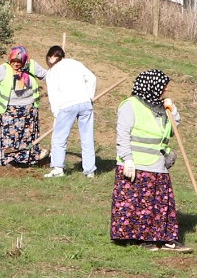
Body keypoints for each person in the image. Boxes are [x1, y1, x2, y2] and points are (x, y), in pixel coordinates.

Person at [110, 69, 188, 250]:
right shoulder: (130, 105)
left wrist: (173, 110)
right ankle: (142, 239)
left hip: (157, 164)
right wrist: (127, 159)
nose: (165, 92)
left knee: (160, 204)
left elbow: (172, 129)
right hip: (135, 165)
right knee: (135, 204)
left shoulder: (161, 108)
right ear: (152, 86)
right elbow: (122, 135)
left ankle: (165, 237)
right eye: (163, 88)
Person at [0, 46, 48, 166]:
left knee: (26, 136)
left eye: (19, 62)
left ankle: (24, 160)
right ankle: (5, 159)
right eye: (13, 61)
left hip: (29, 110)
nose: (16, 64)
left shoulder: (32, 66)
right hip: (10, 110)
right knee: (7, 136)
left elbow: (47, 76)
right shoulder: (4, 69)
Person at [43, 45, 97, 178]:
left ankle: (58, 169)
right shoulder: (75, 63)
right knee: (87, 138)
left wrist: (56, 113)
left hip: (66, 106)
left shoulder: (52, 72)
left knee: (59, 138)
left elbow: (53, 95)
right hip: (85, 104)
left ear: (51, 57)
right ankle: (90, 171)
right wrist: (89, 97)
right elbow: (92, 78)